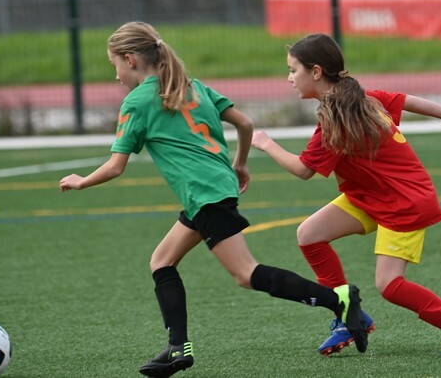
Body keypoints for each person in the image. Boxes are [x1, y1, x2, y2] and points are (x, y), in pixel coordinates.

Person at [59, 22, 368, 378]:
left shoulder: (137, 102)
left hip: (205, 194)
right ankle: (177, 347)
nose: (115, 75)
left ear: (130, 60)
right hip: (212, 190)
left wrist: (82, 182)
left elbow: (116, 167)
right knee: (162, 260)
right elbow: (245, 123)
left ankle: (339, 300)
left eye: (114, 64)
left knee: (245, 274)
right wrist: (240, 164)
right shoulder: (192, 86)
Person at [250, 33, 441, 357]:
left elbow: (303, 170)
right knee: (309, 235)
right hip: (369, 196)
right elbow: (405, 100)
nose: (289, 78)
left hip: (404, 201)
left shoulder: (340, 116)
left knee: (390, 285)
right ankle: (346, 314)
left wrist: (266, 143)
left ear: (316, 72)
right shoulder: (359, 97)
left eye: (293, 70)